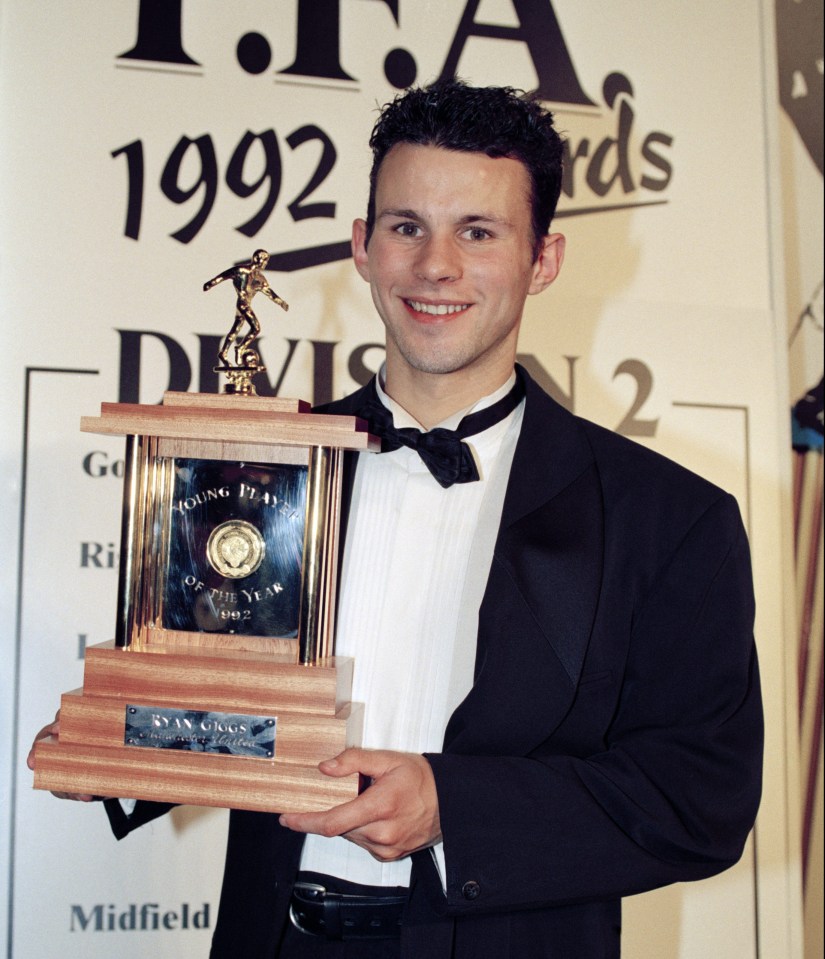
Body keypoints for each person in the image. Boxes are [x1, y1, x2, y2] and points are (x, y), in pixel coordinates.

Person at [29, 79, 763, 958]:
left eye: (478, 232)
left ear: (544, 260)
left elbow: (700, 796)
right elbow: (213, 690)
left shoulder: (669, 518)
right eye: (406, 226)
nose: (435, 266)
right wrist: (123, 742)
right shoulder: (259, 472)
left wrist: (453, 808)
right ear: (362, 247)